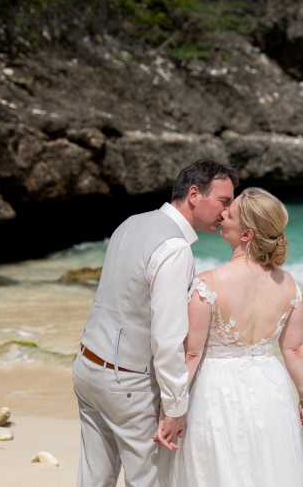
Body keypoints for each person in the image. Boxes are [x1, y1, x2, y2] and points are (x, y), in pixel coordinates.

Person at [73, 159, 238, 487]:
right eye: (224, 201)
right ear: (194, 194)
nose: (227, 212)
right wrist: (175, 405)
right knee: (150, 481)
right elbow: (167, 336)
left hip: (87, 367)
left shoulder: (133, 222)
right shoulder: (175, 248)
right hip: (128, 383)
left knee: (93, 479)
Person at [169, 187, 303, 486]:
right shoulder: (288, 284)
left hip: (216, 393)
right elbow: (295, 349)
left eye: (231, 213)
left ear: (247, 234)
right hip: (271, 392)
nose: (223, 213)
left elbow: (191, 355)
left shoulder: (207, 283)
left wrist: (170, 408)